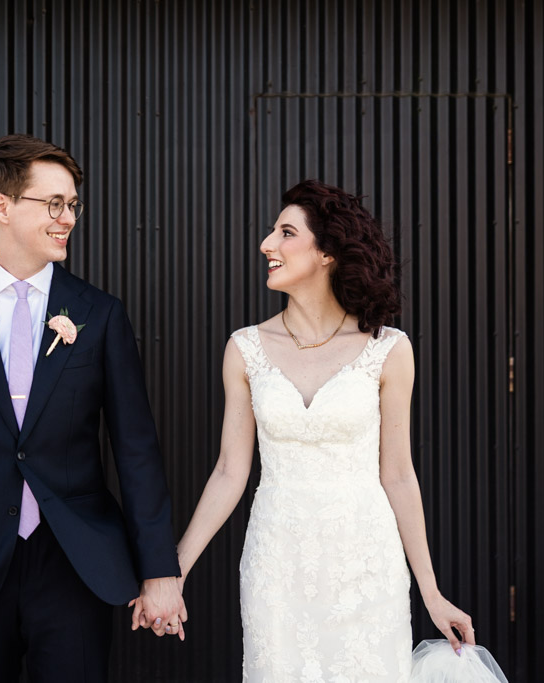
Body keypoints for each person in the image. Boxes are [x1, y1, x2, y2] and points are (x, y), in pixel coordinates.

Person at [0, 134, 185, 682]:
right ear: (1, 206)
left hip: (73, 563)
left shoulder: (99, 315)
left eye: (73, 204)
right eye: (53, 203)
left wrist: (159, 571)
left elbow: (136, 451)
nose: (68, 218)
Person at [170, 180, 475, 681]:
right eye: (272, 232)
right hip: (277, 567)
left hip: (366, 565)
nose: (267, 244)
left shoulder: (388, 349)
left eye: (286, 232)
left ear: (328, 251)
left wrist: (432, 592)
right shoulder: (245, 349)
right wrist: (175, 571)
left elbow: (398, 475)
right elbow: (230, 470)